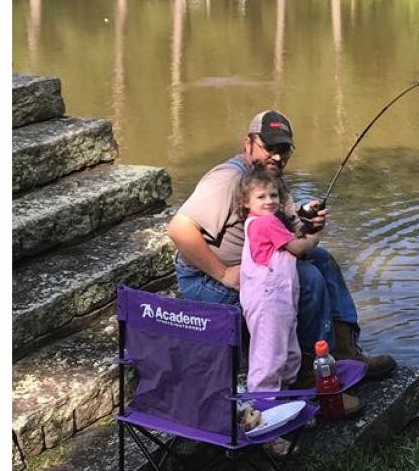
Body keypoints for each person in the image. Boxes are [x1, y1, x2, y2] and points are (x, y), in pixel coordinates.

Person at [167, 110, 397, 395]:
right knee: (309, 278)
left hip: (260, 268)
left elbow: (291, 232)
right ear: (248, 143)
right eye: (270, 147)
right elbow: (179, 228)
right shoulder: (227, 179)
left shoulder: (271, 180)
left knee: (322, 259)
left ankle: (345, 350)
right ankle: (306, 370)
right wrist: (224, 273)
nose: (277, 156)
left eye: (284, 149)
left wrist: (309, 222)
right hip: (206, 281)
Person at [236, 167, 318, 392]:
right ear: (245, 202)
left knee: (289, 352)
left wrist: (306, 223)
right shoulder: (266, 223)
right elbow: (298, 248)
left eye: (273, 195)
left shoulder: (261, 221)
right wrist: (315, 235)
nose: (269, 201)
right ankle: (262, 405)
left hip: (280, 299)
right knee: (269, 355)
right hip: (269, 300)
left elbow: (287, 241)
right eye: (261, 197)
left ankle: (285, 395)